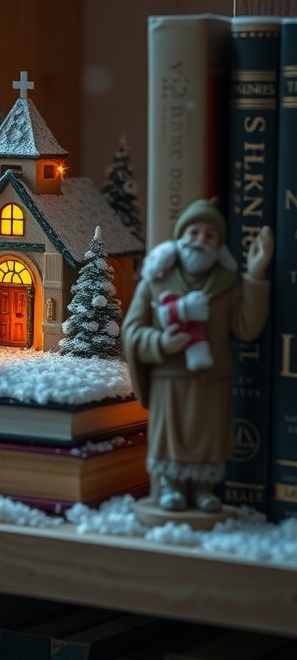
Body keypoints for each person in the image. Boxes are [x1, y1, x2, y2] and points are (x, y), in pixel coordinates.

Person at [122, 199, 273, 513]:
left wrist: (256, 274)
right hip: (170, 380)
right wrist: (162, 342)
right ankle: (172, 487)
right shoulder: (156, 279)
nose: (200, 240)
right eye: (194, 231)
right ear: (181, 237)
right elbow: (132, 331)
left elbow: (246, 327)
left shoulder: (226, 285)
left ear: (218, 245)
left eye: (210, 235)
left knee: (207, 435)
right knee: (172, 435)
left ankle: (204, 489)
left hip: (211, 380)